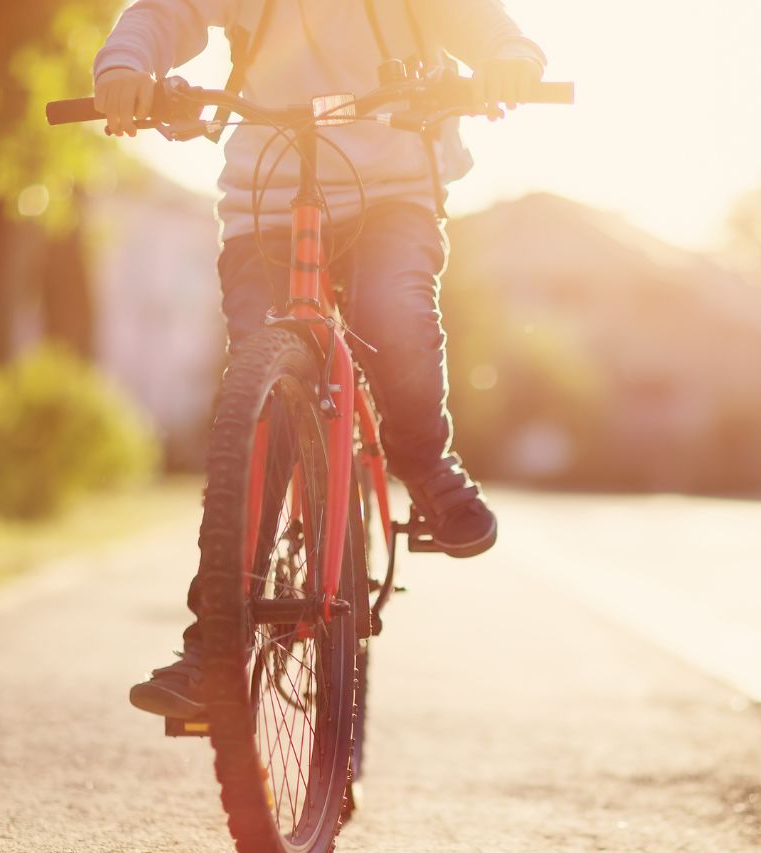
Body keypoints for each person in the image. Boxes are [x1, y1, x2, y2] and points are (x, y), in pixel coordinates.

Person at [93, 0, 547, 718]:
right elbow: (170, 10)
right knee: (256, 396)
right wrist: (127, 67)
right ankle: (215, 646)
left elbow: (471, 18)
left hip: (391, 193)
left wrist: (508, 56)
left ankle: (427, 465)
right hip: (266, 202)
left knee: (393, 317)